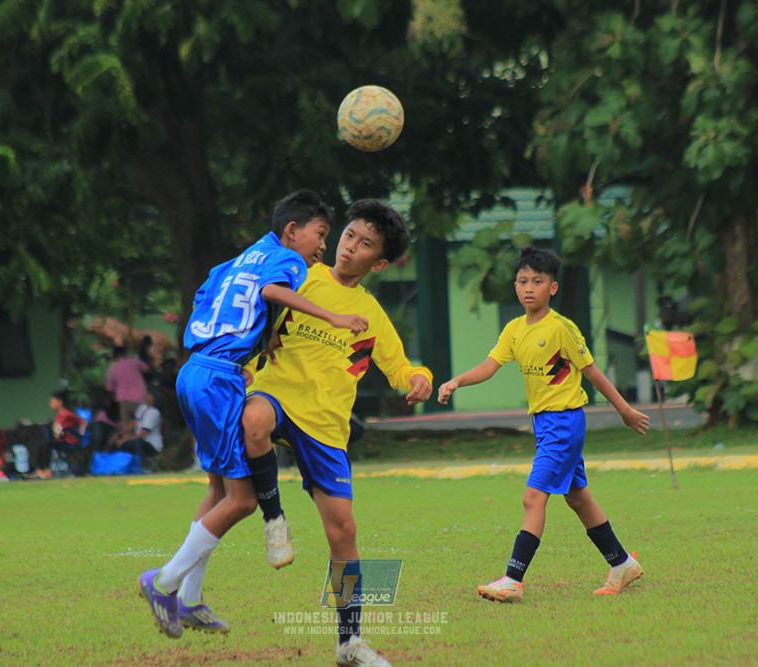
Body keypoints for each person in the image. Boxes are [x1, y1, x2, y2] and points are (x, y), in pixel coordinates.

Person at [137, 189, 368, 640]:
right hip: (219, 380)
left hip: (196, 371)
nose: (324, 246)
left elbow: (209, 296)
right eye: (321, 235)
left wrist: (252, 342)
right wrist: (332, 318)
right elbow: (271, 291)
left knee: (220, 489)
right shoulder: (288, 259)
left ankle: (189, 598)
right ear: (292, 230)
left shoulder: (241, 257)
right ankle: (163, 582)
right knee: (242, 501)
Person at [239, 199, 432, 667]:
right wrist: (246, 368)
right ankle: (274, 521)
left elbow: (398, 367)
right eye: (348, 235)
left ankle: (350, 641)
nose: (349, 247)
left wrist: (419, 377)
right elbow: (253, 313)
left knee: (343, 531)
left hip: (326, 425)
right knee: (255, 421)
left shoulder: (371, 314)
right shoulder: (300, 276)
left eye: (365, 244)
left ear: (379, 262)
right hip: (275, 393)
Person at [437, 246, 650, 603]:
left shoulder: (561, 329)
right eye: (522, 281)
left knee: (533, 497)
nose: (528, 288)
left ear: (552, 287)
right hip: (544, 425)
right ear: (515, 285)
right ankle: (622, 564)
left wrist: (625, 411)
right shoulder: (514, 330)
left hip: (564, 423)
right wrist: (456, 381)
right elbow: (489, 367)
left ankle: (513, 580)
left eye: (538, 281)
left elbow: (592, 372)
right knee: (578, 499)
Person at [34, 390, 88, 479]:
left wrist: (80, 436)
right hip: (60, 441)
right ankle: (40, 470)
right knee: (42, 445)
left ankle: (47, 471)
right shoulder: (57, 416)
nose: (51, 404)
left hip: (69, 443)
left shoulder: (67, 414)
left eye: (53, 402)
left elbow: (83, 423)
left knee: (47, 444)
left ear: (60, 403)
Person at [110, 390, 163, 468]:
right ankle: (112, 467)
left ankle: (138, 467)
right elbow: (134, 423)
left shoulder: (154, 412)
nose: (147, 395)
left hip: (151, 445)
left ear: (153, 398)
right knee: (115, 442)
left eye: (149, 394)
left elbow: (143, 434)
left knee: (137, 442)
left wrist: (125, 439)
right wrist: (119, 435)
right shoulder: (143, 406)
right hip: (138, 441)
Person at [106, 346, 149, 429]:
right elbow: (149, 370)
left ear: (114, 356)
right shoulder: (135, 362)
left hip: (124, 402)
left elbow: (110, 390)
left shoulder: (112, 370)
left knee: (127, 429)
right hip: (140, 399)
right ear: (125, 354)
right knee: (142, 427)